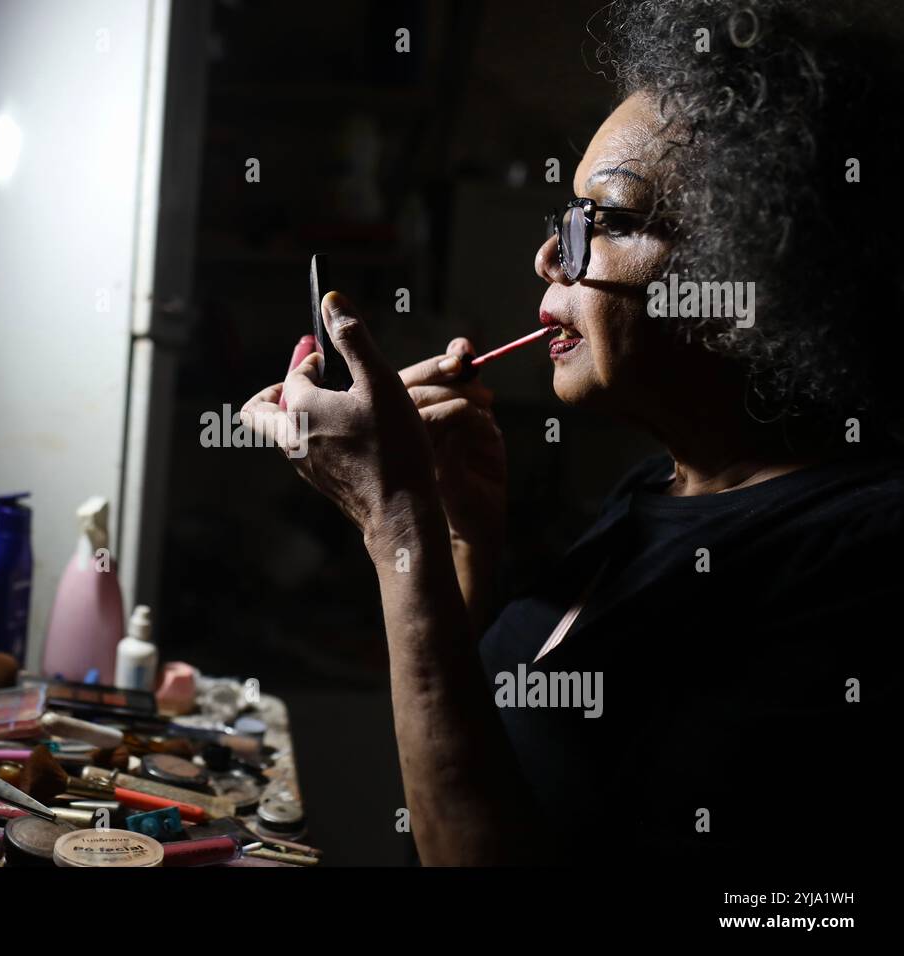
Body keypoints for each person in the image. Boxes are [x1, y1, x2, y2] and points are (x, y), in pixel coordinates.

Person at [241, 0, 902, 864]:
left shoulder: (864, 559)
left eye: (614, 220)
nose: (553, 257)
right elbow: (483, 739)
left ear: (763, 275)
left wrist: (391, 519)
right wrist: (452, 532)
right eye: (568, 219)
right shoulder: (660, 487)